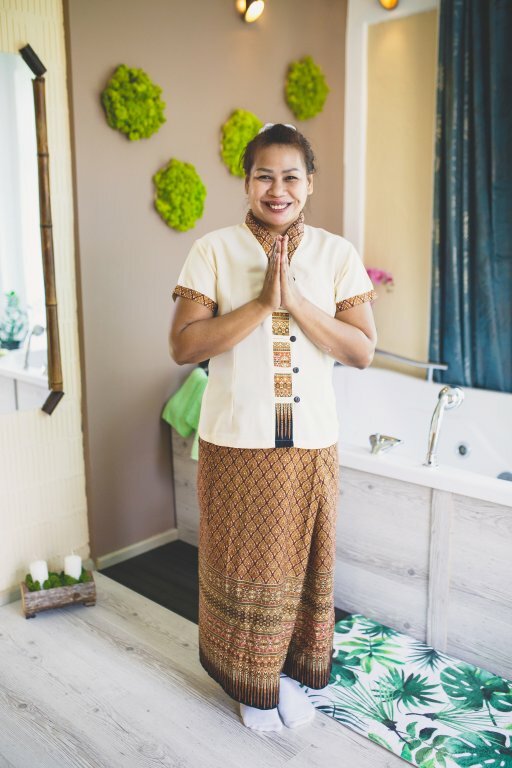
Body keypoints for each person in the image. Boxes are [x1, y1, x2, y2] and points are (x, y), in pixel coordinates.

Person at [169, 123, 377, 732]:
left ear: (310, 183)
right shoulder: (213, 250)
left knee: (302, 570)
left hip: (310, 442)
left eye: (290, 177)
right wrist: (261, 304)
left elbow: (362, 351)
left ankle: (285, 676)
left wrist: (295, 304)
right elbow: (183, 346)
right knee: (244, 569)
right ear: (246, 182)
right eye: (264, 176)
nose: (277, 189)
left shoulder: (337, 254)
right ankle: (249, 684)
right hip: (238, 441)